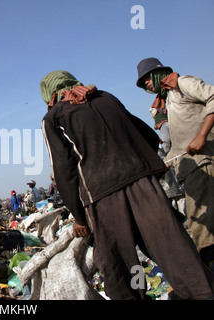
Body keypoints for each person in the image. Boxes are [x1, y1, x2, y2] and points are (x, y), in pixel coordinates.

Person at [40, 69, 213, 300]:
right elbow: (149, 136)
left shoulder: (53, 118)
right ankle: (202, 292)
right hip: (143, 182)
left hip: (102, 195)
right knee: (170, 245)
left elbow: (63, 170)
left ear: (50, 95)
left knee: (118, 261)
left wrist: (79, 217)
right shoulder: (105, 97)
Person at [136, 57, 214, 263]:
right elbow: (179, 144)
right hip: (190, 166)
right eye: (142, 82)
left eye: (147, 78)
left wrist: (202, 135)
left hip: (203, 161)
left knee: (202, 223)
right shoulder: (169, 98)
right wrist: (164, 163)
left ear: (159, 72)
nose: (146, 83)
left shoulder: (182, 83)